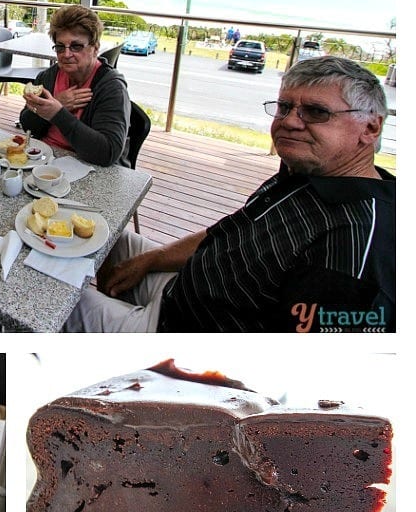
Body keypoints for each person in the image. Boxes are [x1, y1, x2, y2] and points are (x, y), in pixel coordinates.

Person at [64, 56, 395, 333]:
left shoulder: (352, 248)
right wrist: (149, 260)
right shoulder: (305, 172)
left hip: (176, 326)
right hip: (182, 285)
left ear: (370, 128)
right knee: (105, 233)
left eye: (316, 112)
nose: (290, 122)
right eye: (284, 107)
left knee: (59, 302)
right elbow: (230, 231)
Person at [19, 4, 131, 166]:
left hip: (90, 167)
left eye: (76, 46)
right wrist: (56, 104)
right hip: (45, 160)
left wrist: (58, 113)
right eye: (60, 47)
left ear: (95, 48)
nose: (66, 54)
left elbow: (108, 153)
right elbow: (27, 125)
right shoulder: (48, 76)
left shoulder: (111, 87)